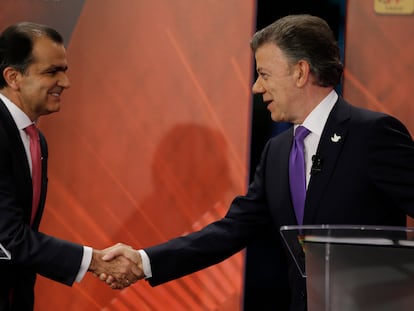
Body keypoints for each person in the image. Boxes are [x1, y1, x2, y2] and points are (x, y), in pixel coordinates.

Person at [102, 14, 414, 310]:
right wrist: (143, 261)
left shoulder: (372, 134)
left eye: (264, 74)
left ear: (301, 71)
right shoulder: (277, 151)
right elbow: (233, 229)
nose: (256, 87)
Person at [0, 22, 141, 311]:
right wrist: (93, 261)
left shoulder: (36, 140)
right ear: (13, 77)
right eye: (52, 72)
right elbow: (10, 237)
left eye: (64, 70)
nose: (65, 82)